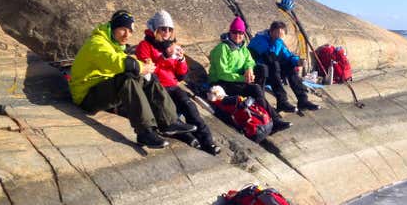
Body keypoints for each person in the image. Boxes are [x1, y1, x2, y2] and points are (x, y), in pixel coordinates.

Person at [69, 10, 196, 148]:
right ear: (113, 27)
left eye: (130, 31)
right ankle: (145, 132)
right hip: (86, 96)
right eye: (123, 29)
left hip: (102, 89)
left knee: (148, 77)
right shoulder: (97, 43)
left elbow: (126, 58)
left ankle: (169, 122)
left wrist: (144, 68)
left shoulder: (115, 44)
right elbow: (115, 61)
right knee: (127, 79)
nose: (127, 35)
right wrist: (141, 67)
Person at [134, 10, 221, 155]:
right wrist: (165, 57)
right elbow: (147, 70)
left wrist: (181, 59)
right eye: (163, 28)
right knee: (170, 110)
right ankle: (187, 136)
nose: (166, 32)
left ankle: (208, 141)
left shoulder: (171, 45)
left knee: (189, 106)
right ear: (155, 29)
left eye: (169, 29)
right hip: (155, 87)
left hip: (172, 86)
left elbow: (181, 75)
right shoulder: (145, 45)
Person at [208, 17, 291, 133]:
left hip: (235, 78)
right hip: (221, 82)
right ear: (230, 32)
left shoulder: (242, 47)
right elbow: (222, 74)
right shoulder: (222, 48)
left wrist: (249, 70)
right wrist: (243, 78)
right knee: (255, 89)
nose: (238, 35)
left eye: (241, 33)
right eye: (235, 32)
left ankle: (264, 108)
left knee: (262, 69)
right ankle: (274, 119)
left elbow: (250, 61)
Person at [248, 21, 319, 113]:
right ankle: (282, 101)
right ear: (271, 31)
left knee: (289, 66)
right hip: (256, 72)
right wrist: (278, 41)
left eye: (281, 34)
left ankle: (302, 100)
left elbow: (288, 55)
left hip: (271, 72)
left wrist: (297, 61)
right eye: (276, 32)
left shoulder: (278, 42)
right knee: (274, 65)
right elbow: (270, 57)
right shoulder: (260, 39)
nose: (278, 35)